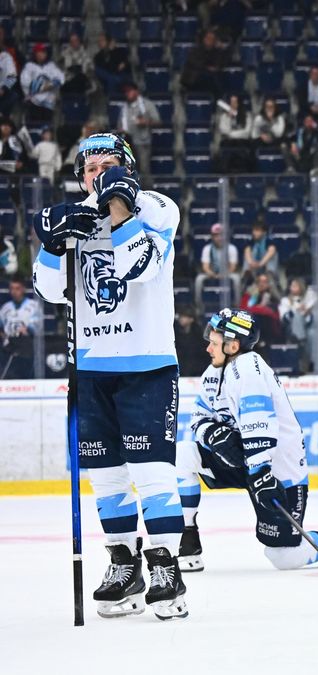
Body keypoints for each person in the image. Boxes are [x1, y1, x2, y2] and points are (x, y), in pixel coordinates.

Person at [32, 133, 187, 619]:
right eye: (89, 166)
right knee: (104, 475)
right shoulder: (74, 215)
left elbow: (139, 266)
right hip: (91, 367)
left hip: (147, 364)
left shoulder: (158, 208)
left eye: (109, 164)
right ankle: (123, 563)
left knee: (152, 472)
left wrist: (119, 207)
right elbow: (50, 291)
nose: (97, 171)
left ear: (129, 168)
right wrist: (54, 242)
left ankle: (165, 565)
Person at [176, 308, 318, 573]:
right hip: (250, 464)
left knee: (283, 556)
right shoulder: (213, 372)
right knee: (183, 454)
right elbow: (198, 416)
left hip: (277, 471)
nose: (208, 347)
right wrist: (212, 434)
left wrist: (261, 472)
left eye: (214, 341)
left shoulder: (249, 369)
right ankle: (187, 539)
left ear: (233, 344)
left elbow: (260, 424)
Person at [0, 277, 41, 379]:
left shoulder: (33, 306)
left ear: (23, 289)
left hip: (27, 347)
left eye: (17, 288)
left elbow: (36, 327)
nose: (14, 291)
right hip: (8, 348)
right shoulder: (5, 308)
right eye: (12, 288)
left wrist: (27, 330)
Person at [117, 84, 160, 177]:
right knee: (128, 170)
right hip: (127, 143)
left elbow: (157, 121)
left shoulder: (147, 104)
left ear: (136, 91)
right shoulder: (124, 107)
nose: (127, 94)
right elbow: (119, 125)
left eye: (129, 91)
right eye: (126, 92)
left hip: (142, 142)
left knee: (144, 170)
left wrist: (144, 122)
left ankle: (146, 190)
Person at [195, 223, 240, 305]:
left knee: (236, 279)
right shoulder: (207, 248)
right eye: (216, 235)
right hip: (211, 273)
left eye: (221, 235)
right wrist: (212, 274)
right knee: (199, 279)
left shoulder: (231, 248)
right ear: (212, 237)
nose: (219, 238)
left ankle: (237, 303)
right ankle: (198, 305)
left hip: (227, 273)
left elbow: (233, 266)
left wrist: (224, 274)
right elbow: (205, 266)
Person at [20, 44, 65, 125]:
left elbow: (61, 78)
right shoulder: (29, 66)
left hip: (48, 103)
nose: (41, 54)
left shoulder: (51, 66)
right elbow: (25, 82)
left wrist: (50, 84)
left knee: (46, 129)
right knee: (34, 128)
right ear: (35, 54)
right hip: (33, 102)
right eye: (39, 52)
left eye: (43, 52)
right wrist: (45, 86)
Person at [279, 277, 318, 366]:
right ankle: (301, 341)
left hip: (306, 328)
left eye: (295, 286)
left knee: (313, 333)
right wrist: (295, 309)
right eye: (292, 286)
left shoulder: (307, 298)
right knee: (297, 316)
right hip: (291, 330)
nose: (292, 288)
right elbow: (284, 319)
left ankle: (312, 362)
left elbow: (310, 320)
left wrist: (306, 312)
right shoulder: (285, 300)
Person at [93, 33, 133, 98]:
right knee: (108, 77)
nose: (100, 42)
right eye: (99, 41)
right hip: (110, 78)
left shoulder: (120, 51)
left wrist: (111, 51)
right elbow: (110, 69)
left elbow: (125, 66)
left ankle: (112, 99)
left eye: (102, 40)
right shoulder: (98, 57)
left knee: (112, 79)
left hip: (122, 76)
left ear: (108, 42)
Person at [173, 306, 208, 378]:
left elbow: (203, 354)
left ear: (191, 319)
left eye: (184, 316)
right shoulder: (174, 333)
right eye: (181, 316)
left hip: (196, 373)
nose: (181, 318)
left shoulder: (199, 335)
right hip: (179, 371)